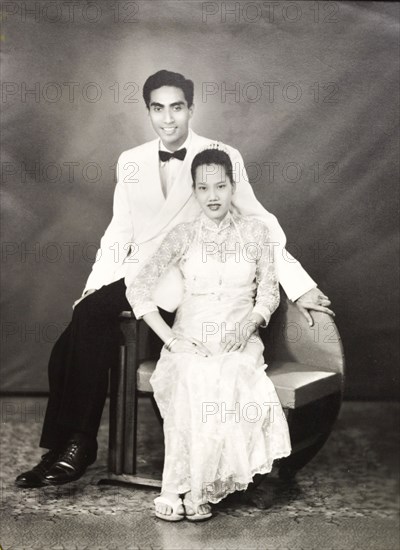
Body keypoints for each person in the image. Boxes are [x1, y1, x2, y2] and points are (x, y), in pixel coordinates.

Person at [15, 69, 333, 489]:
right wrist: (94, 284)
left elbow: (261, 224)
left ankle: (76, 445)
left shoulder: (220, 154)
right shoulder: (131, 161)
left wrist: (301, 284)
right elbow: (119, 232)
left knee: (89, 322)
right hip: (138, 273)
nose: (169, 119)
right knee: (68, 342)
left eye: (177, 107)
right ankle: (63, 448)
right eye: (158, 109)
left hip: (186, 279)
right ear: (148, 111)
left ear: (191, 109)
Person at [127, 147, 292, 521]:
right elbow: (138, 289)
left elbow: (268, 292)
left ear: (233, 187)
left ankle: (199, 490)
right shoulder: (182, 235)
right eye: (203, 188)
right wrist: (170, 338)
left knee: (229, 373)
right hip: (191, 335)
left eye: (220, 186)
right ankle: (174, 488)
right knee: (190, 373)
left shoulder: (256, 232)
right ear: (195, 191)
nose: (213, 196)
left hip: (239, 335)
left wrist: (248, 326)